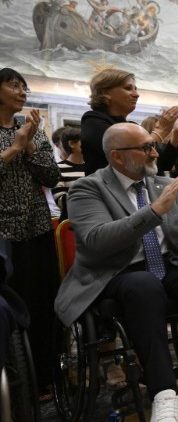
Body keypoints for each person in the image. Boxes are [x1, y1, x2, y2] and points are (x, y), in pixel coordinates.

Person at [54, 123, 178, 421]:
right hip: (114, 273)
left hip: (165, 265)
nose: (153, 152)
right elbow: (97, 242)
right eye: (145, 148)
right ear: (118, 157)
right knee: (143, 286)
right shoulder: (87, 188)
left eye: (152, 145)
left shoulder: (161, 182)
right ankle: (162, 391)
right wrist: (154, 211)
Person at [0, 68, 61, 392]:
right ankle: (12, 378)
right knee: (11, 303)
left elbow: (52, 177)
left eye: (24, 86)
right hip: (3, 232)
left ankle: (45, 376)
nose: (22, 91)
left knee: (43, 301)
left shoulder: (33, 130)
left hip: (37, 226)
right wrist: (14, 147)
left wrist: (29, 146)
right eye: (13, 85)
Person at [80, 68, 178, 175]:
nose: (136, 94)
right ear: (105, 93)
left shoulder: (131, 126)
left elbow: (164, 164)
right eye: (128, 88)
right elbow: (131, 158)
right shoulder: (93, 121)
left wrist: (176, 132)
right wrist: (161, 130)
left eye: (135, 89)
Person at [54, 127, 86, 218]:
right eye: (84, 141)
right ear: (71, 144)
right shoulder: (58, 168)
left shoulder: (91, 167)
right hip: (71, 221)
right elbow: (60, 200)